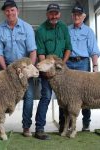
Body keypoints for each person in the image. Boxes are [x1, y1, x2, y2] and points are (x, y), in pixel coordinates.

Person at [0, 0, 37, 137]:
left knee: (28, 96)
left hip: (24, 68)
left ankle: (26, 127)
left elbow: (32, 51)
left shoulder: (26, 27)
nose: (10, 13)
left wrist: (28, 70)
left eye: (12, 10)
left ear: (17, 11)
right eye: (7, 10)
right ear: (4, 12)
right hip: (7, 67)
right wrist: (6, 70)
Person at [35, 3, 72, 140]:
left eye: (56, 13)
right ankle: (39, 128)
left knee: (63, 98)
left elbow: (68, 47)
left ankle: (64, 126)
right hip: (47, 69)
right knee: (45, 96)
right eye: (51, 13)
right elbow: (41, 53)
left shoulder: (63, 27)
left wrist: (63, 64)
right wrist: (47, 70)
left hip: (61, 69)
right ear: (47, 14)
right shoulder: (40, 30)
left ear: (59, 14)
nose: (54, 16)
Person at [65, 4, 100, 132]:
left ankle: (86, 124)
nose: (76, 16)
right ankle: (67, 124)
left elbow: (94, 51)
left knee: (86, 93)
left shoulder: (88, 31)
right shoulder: (66, 30)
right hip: (68, 64)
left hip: (83, 63)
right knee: (67, 95)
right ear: (72, 16)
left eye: (79, 14)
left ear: (83, 16)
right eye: (74, 14)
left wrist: (95, 67)